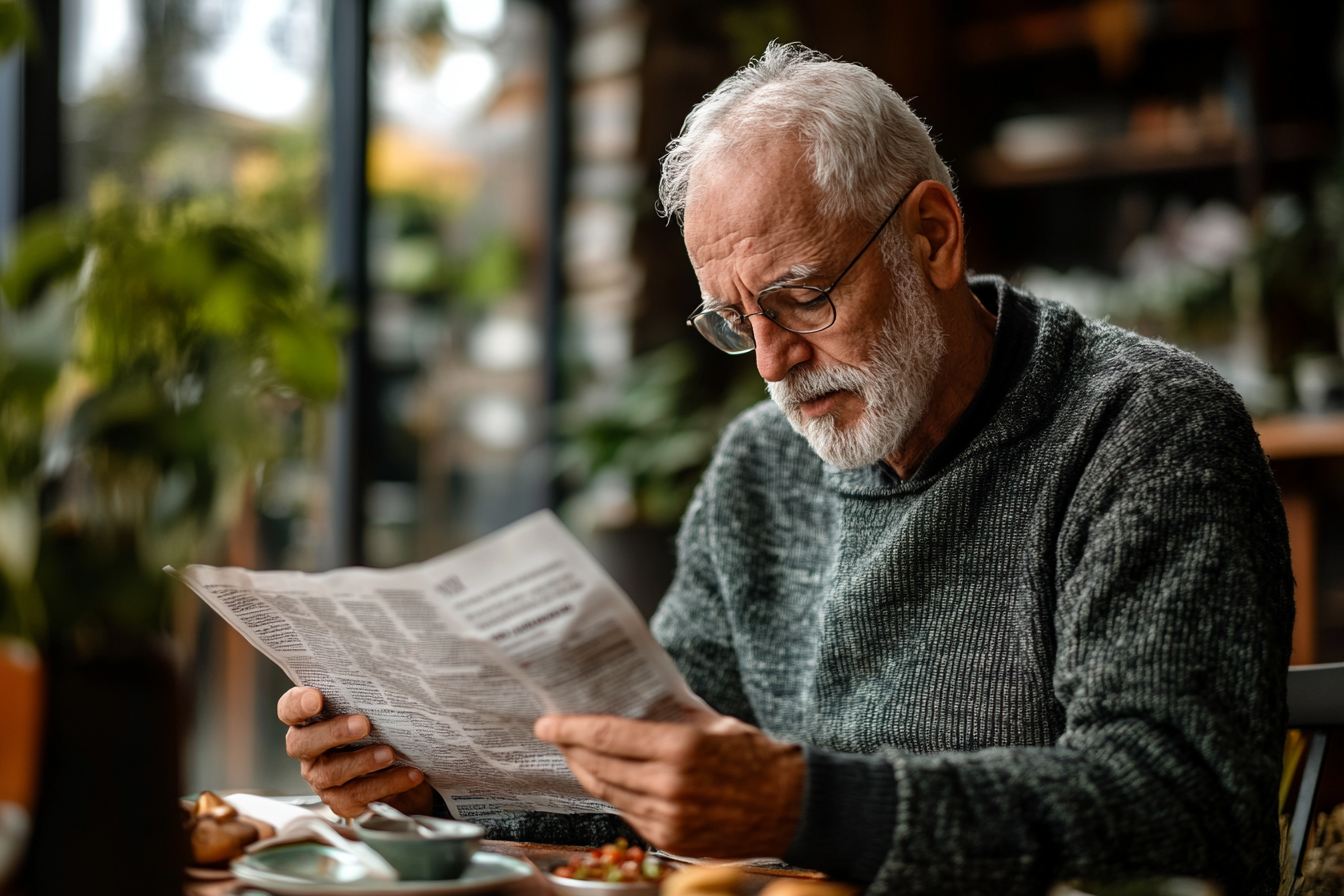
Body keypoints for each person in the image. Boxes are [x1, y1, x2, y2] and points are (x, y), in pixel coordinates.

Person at [277, 44, 1293, 895]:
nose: (771, 361)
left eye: (803, 297)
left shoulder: (1142, 431)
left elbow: (1178, 805)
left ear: (932, 235)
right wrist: (434, 792)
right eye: (735, 319)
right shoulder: (760, 465)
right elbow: (641, 774)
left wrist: (806, 807)